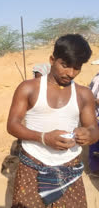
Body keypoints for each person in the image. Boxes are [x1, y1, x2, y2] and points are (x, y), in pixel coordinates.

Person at [7, 34, 99, 207]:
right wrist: (43, 137)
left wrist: (88, 134)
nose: (71, 73)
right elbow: (12, 125)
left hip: (69, 170)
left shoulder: (83, 94)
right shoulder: (28, 88)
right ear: (52, 59)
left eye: (77, 68)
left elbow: (94, 129)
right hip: (32, 167)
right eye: (65, 65)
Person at [88, 72, 99, 177]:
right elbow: (89, 93)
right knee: (95, 143)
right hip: (95, 116)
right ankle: (95, 170)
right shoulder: (96, 77)